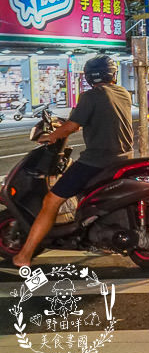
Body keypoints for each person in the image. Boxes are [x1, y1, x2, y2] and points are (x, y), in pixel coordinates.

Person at [13, 55, 134, 267]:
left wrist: (51, 136)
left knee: (51, 200)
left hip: (97, 160)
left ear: (89, 77)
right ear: (112, 74)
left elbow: (72, 126)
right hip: (123, 158)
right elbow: (89, 118)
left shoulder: (91, 96)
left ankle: (23, 256)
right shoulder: (123, 93)